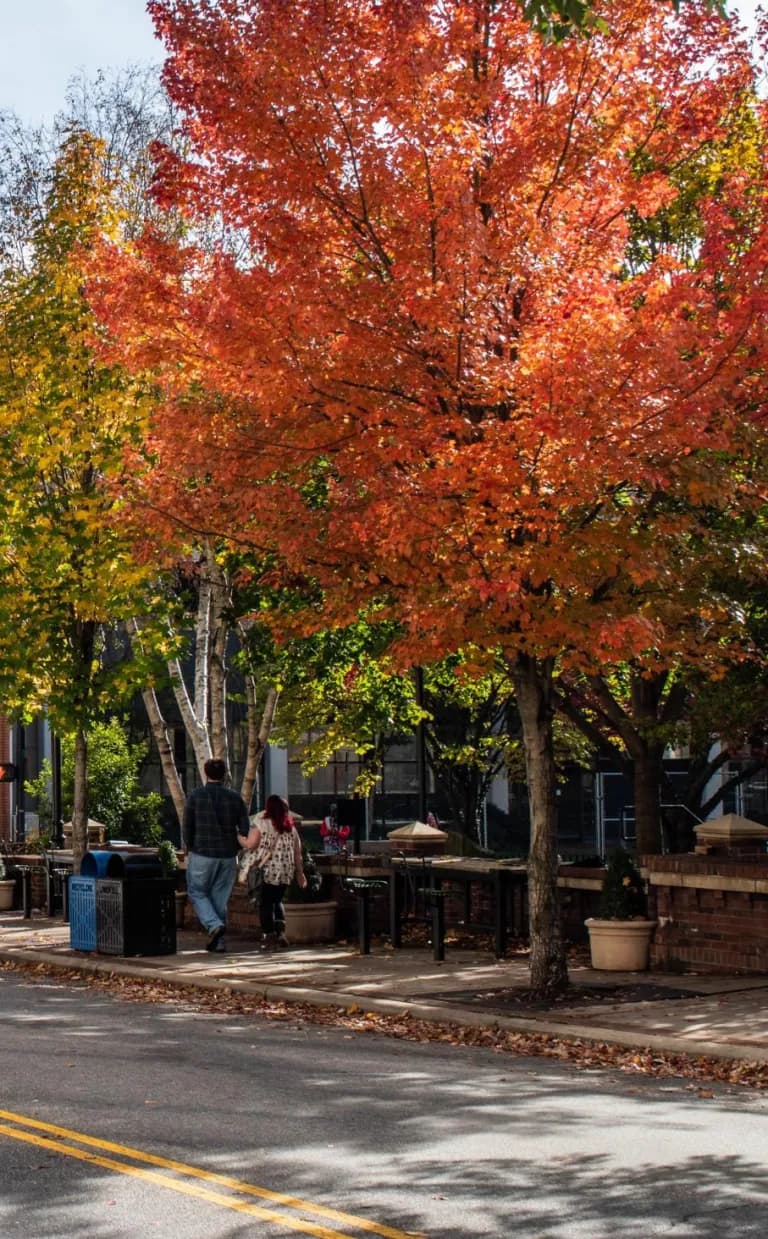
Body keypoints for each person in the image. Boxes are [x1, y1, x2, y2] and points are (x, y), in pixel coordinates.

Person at [182, 757, 250, 953]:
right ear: (224, 774)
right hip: (228, 855)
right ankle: (218, 942)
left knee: (197, 891)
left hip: (202, 852)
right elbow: (244, 828)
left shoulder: (196, 796)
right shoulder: (235, 798)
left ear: (206, 773)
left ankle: (214, 925)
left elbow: (187, 827)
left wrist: (190, 846)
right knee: (220, 897)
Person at [245, 794, 306, 949]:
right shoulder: (290, 828)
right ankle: (280, 933)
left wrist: (239, 838)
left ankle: (268, 934)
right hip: (285, 870)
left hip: (267, 870)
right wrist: (300, 873)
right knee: (277, 901)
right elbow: (297, 851)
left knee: (265, 903)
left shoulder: (262, 823)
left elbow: (251, 844)